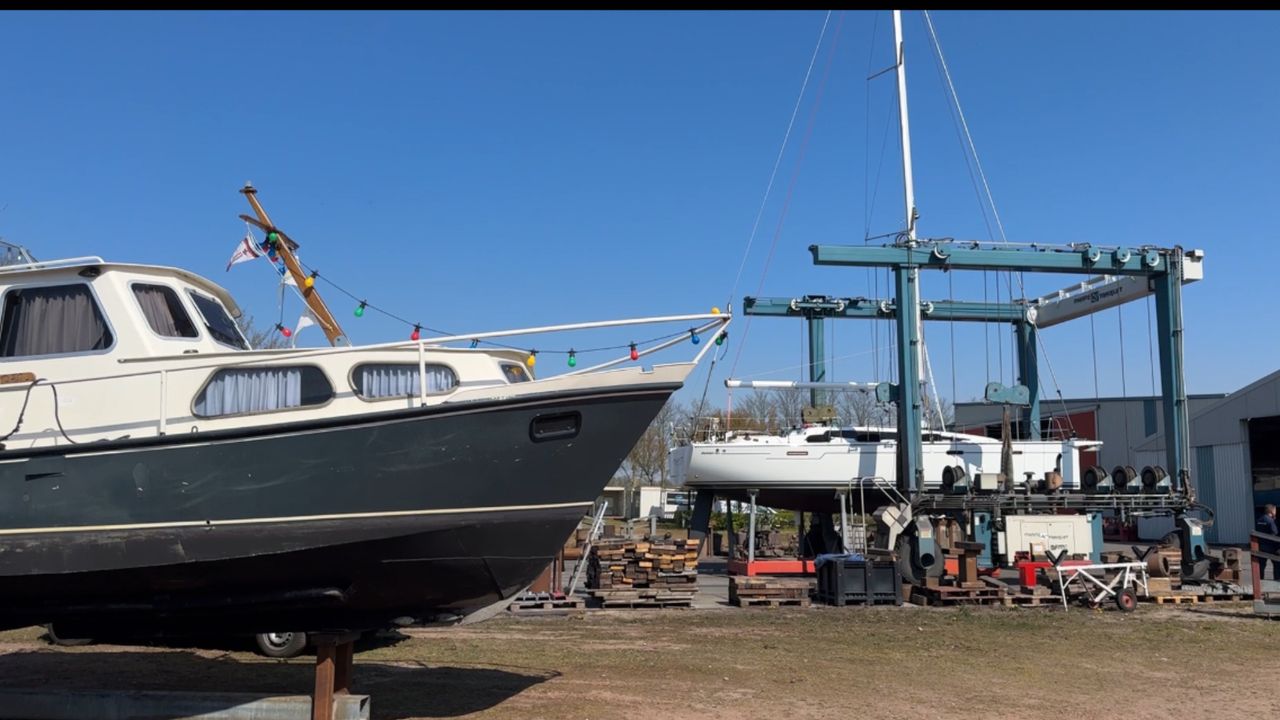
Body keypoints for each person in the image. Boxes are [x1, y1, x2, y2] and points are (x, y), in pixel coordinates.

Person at [1258, 504, 1278, 580]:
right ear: (1272, 511)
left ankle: (1260, 582)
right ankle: (1277, 581)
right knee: (1277, 565)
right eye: (1275, 510)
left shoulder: (1259, 520)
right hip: (1272, 547)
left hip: (1261, 546)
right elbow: (1275, 532)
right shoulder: (1270, 521)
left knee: (1261, 566)